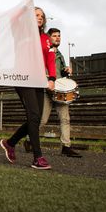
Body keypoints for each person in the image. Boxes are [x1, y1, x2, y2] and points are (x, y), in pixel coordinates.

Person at [0, 6, 56, 170]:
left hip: (38, 80)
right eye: (36, 15)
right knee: (33, 114)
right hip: (23, 78)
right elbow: (11, 20)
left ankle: (10, 143)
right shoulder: (22, 33)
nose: (39, 17)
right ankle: (37, 157)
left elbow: (50, 60)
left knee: (35, 118)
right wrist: (25, 8)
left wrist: (52, 78)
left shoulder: (46, 38)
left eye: (42, 15)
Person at [40, 28, 82, 158]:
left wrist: (66, 70)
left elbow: (61, 73)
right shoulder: (44, 52)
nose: (58, 38)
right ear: (48, 38)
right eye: (54, 36)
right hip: (46, 90)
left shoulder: (60, 55)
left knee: (65, 119)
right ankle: (30, 140)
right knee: (42, 120)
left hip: (60, 90)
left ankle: (66, 146)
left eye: (59, 36)